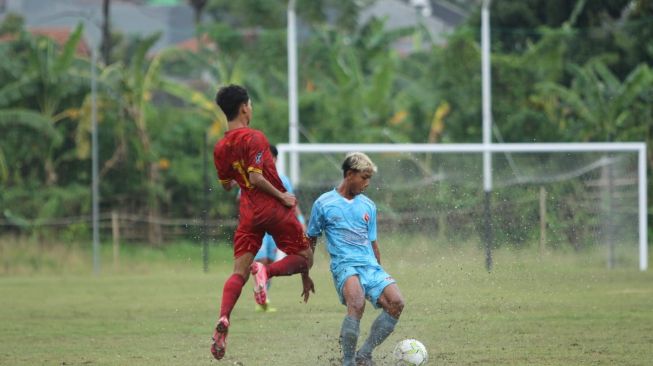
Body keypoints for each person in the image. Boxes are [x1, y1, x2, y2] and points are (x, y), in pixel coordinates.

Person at [211, 84, 315, 361]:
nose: (252, 108)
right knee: (306, 257)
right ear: (244, 107)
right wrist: (282, 195)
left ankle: (224, 317)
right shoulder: (254, 138)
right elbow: (257, 178)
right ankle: (266, 273)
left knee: (238, 272)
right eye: (251, 104)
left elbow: (226, 185)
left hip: (247, 212)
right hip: (272, 208)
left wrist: (241, 176)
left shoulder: (221, 147)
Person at [306, 152, 404, 366]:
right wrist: (306, 274)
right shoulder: (324, 203)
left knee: (396, 303)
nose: (367, 183)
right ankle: (348, 362)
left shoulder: (368, 205)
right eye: (364, 177)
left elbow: (373, 243)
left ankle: (364, 354)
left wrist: (379, 271)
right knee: (357, 303)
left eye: (369, 178)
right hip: (345, 266)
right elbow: (310, 240)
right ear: (350, 174)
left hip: (370, 266)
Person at [252, 144, 307, 312]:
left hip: (275, 229)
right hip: (257, 226)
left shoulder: (283, 180)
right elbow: (241, 199)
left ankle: (263, 297)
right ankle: (260, 299)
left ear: (275, 159)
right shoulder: (253, 178)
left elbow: (291, 202)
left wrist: (300, 219)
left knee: (268, 262)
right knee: (260, 261)